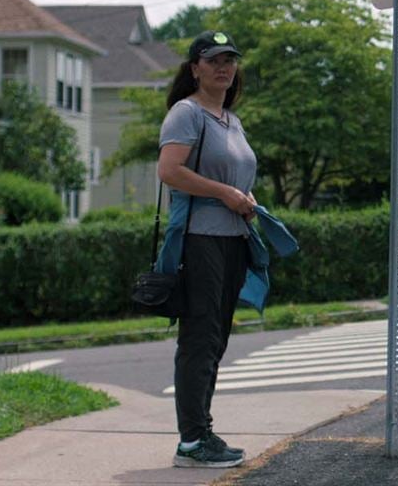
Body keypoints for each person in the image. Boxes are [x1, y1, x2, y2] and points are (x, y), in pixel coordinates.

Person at [157, 30, 257, 469]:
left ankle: (202, 433)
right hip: (199, 241)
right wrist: (224, 193)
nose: (223, 66)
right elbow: (169, 171)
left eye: (229, 59)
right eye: (213, 59)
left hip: (232, 240)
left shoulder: (230, 120)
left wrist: (245, 201)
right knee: (200, 339)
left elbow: (236, 181)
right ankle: (193, 442)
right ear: (195, 67)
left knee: (215, 340)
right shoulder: (187, 113)